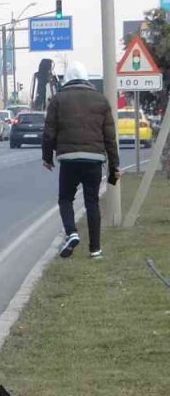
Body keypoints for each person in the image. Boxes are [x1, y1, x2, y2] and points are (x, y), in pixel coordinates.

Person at [42, 62, 121, 259]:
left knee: (65, 198)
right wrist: (114, 164)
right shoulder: (101, 100)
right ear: (86, 78)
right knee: (92, 202)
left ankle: (72, 232)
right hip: (94, 159)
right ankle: (95, 250)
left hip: (68, 159)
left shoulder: (58, 100)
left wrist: (47, 157)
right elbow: (110, 137)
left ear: (66, 79)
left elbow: (49, 132)